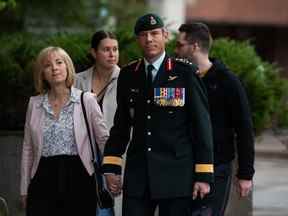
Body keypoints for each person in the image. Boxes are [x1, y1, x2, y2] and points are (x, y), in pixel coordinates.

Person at [101, 13, 214, 216]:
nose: (149, 39)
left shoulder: (184, 73)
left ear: (164, 35)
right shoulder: (128, 75)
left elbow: (201, 125)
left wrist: (204, 175)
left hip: (176, 176)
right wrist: (111, 166)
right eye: (143, 35)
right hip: (139, 176)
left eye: (154, 33)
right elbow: (121, 125)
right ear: (138, 40)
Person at [175, 22, 255, 216]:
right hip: (182, 167)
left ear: (194, 46)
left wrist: (245, 174)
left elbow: (244, 129)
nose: (175, 50)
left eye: (179, 45)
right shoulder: (179, 79)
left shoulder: (228, 82)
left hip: (217, 168)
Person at [20, 46, 109, 216]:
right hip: (42, 177)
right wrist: (24, 189)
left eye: (59, 62)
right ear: (42, 73)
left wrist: (112, 171)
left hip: (80, 176)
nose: (54, 68)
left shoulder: (86, 100)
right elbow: (28, 149)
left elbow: (103, 140)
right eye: (47, 65)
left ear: (67, 67)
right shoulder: (34, 104)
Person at [75, 30, 121, 216]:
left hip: (116, 153)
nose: (112, 54)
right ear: (94, 52)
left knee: (112, 206)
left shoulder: (127, 78)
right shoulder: (78, 80)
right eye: (106, 49)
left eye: (115, 49)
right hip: (85, 154)